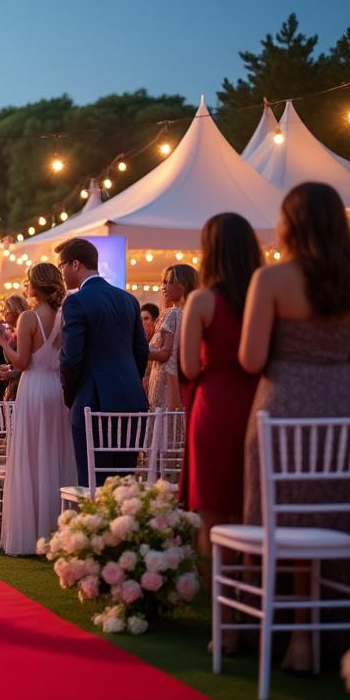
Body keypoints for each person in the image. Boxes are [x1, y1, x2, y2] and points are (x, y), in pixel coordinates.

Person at [239, 182, 350, 671]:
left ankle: (286, 636)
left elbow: (251, 357)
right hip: (342, 402)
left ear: (290, 224)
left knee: (283, 512)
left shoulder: (272, 280)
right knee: (326, 514)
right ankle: (314, 631)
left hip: (283, 401)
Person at [178, 214, 262, 579]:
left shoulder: (202, 300)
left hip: (213, 404)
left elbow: (190, 368)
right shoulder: (265, 297)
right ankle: (252, 589)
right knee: (250, 501)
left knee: (211, 506)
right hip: (257, 401)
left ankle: (224, 613)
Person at [0, 263, 76, 555]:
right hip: (57, 389)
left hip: (33, 389)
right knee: (55, 455)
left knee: (32, 456)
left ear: (36, 285)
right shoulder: (65, 315)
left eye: (28, 281)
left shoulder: (29, 317)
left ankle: (33, 535)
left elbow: (22, 362)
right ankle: (59, 531)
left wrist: (2, 340)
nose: (24, 285)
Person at [58, 237, 150, 487]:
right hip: (131, 399)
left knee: (94, 484)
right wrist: (131, 379)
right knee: (125, 482)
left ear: (75, 264)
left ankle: (96, 526)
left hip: (92, 400)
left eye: (62, 266)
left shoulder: (76, 301)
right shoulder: (128, 299)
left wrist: (71, 396)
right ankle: (124, 526)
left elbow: (71, 357)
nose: (62, 273)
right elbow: (141, 351)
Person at [146, 264, 197, 410]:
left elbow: (164, 353)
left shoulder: (172, 313)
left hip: (164, 383)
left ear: (183, 285)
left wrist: (136, 348)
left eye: (170, 282)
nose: (164, 287)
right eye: (163, 282)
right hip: (179, 382)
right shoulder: (189, 313)